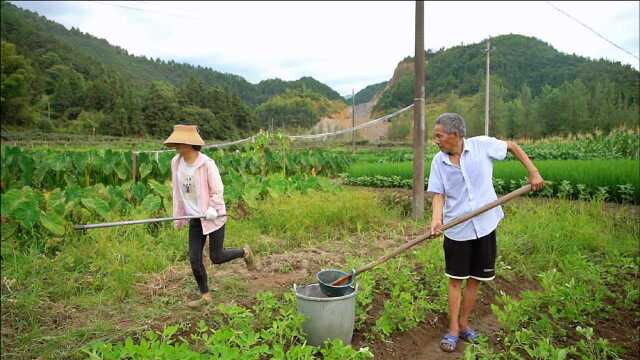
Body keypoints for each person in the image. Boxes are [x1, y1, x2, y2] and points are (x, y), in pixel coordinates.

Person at [426, 113, 544, 352]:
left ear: (455, 135)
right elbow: (439, 195)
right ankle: (453, 330)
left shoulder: (481, 146)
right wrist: (436, 220)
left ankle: (464, 323)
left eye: (439, 136)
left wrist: (533, 172)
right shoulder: (439, 162)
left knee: (475, 280)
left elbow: (511, 146)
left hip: (486, 225)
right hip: (457, 229)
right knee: (456, 280)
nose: (436, 141)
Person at [164, 124, 256, 308]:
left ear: (189, 144)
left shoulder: (206, 164)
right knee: (194, 258)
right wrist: (179, 215)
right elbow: (177, 191)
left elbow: (217, 190)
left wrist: (213, 208)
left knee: (216, 256)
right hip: (195, 218)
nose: (176, 147)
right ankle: (205, 296)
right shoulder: (176, 162)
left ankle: (244, 252)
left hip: (214, 216)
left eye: (179, 143)